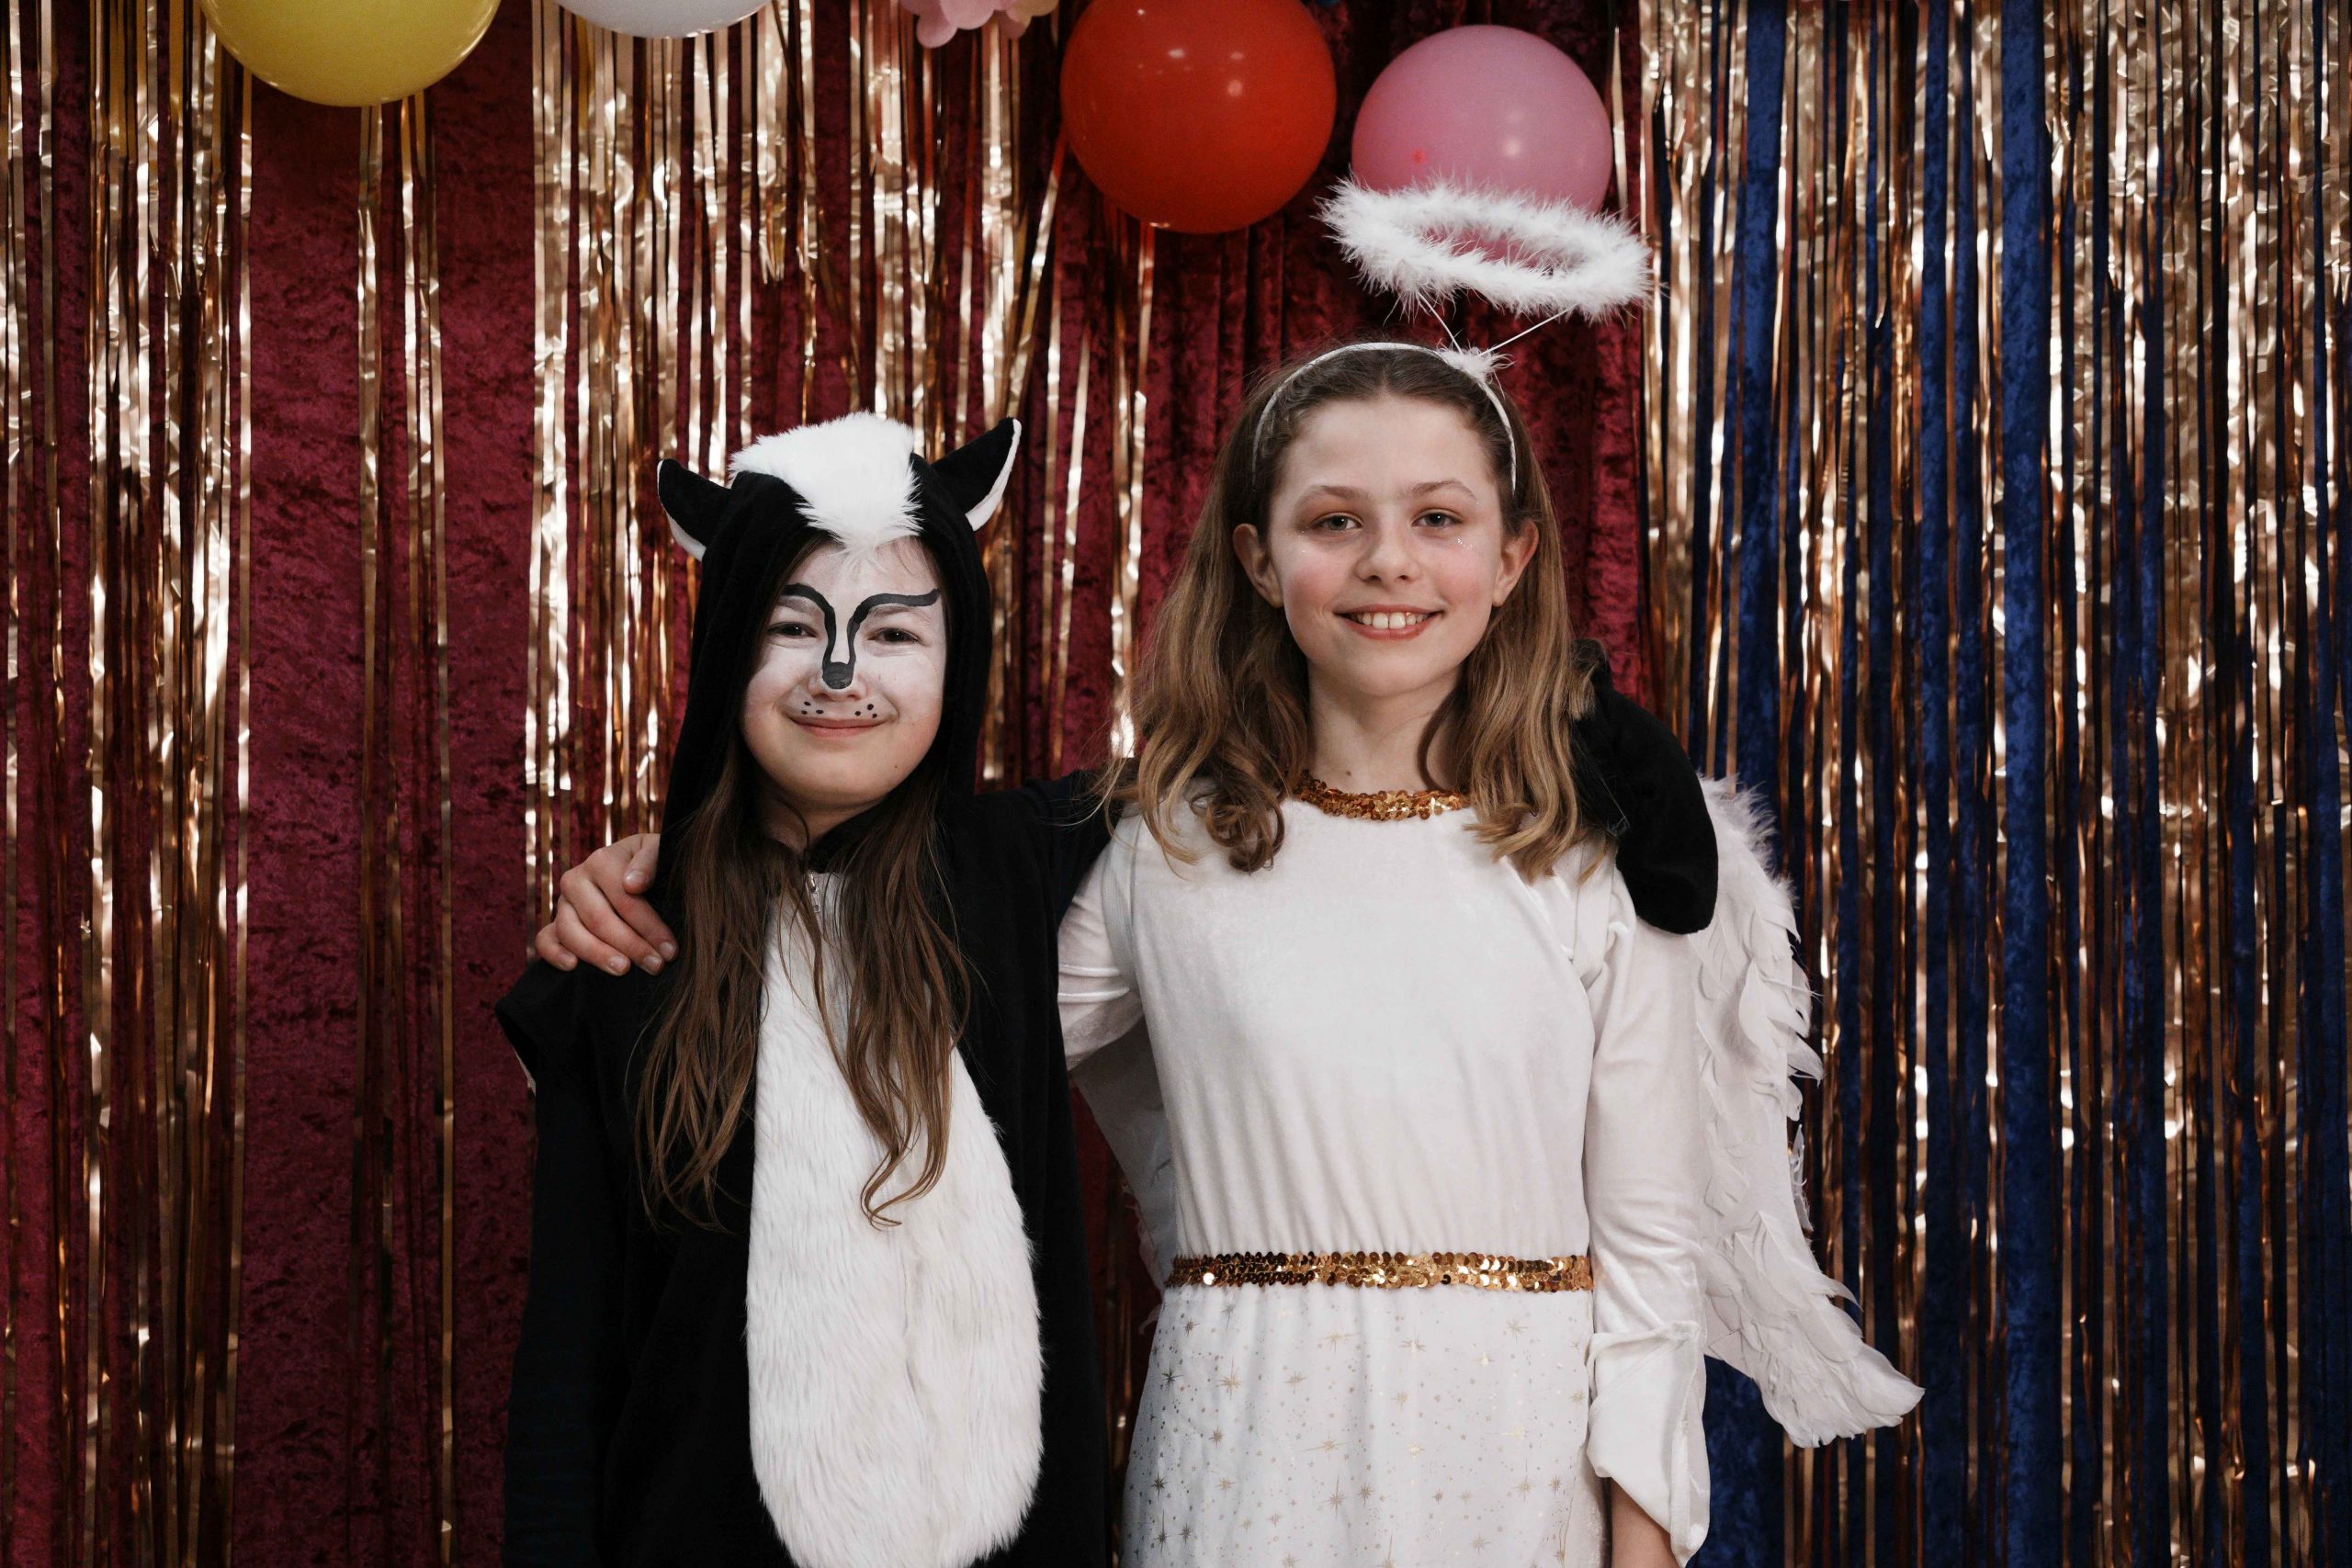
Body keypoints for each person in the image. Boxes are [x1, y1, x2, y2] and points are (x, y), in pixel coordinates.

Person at [542, 345, 1915, 1568]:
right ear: (1260, 560)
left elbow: (1650, 1242)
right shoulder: (1159, 851)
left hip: (1520, 1446)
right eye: (1335, 521)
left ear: (1511, 561)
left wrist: (1645, 1525)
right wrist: (693, 873)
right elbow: (938, 1020)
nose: (1388, 562)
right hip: (1246, 1436)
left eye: (1439, 519)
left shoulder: (1592, 863)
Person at [496, 413, 1109, 1568]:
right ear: (726, 650)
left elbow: (1252, 747)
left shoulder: (1024, 871)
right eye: (790, 627)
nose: (839, 674)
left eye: (894, 631)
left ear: (960, 659)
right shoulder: (625, 952)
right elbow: (570, 1357)